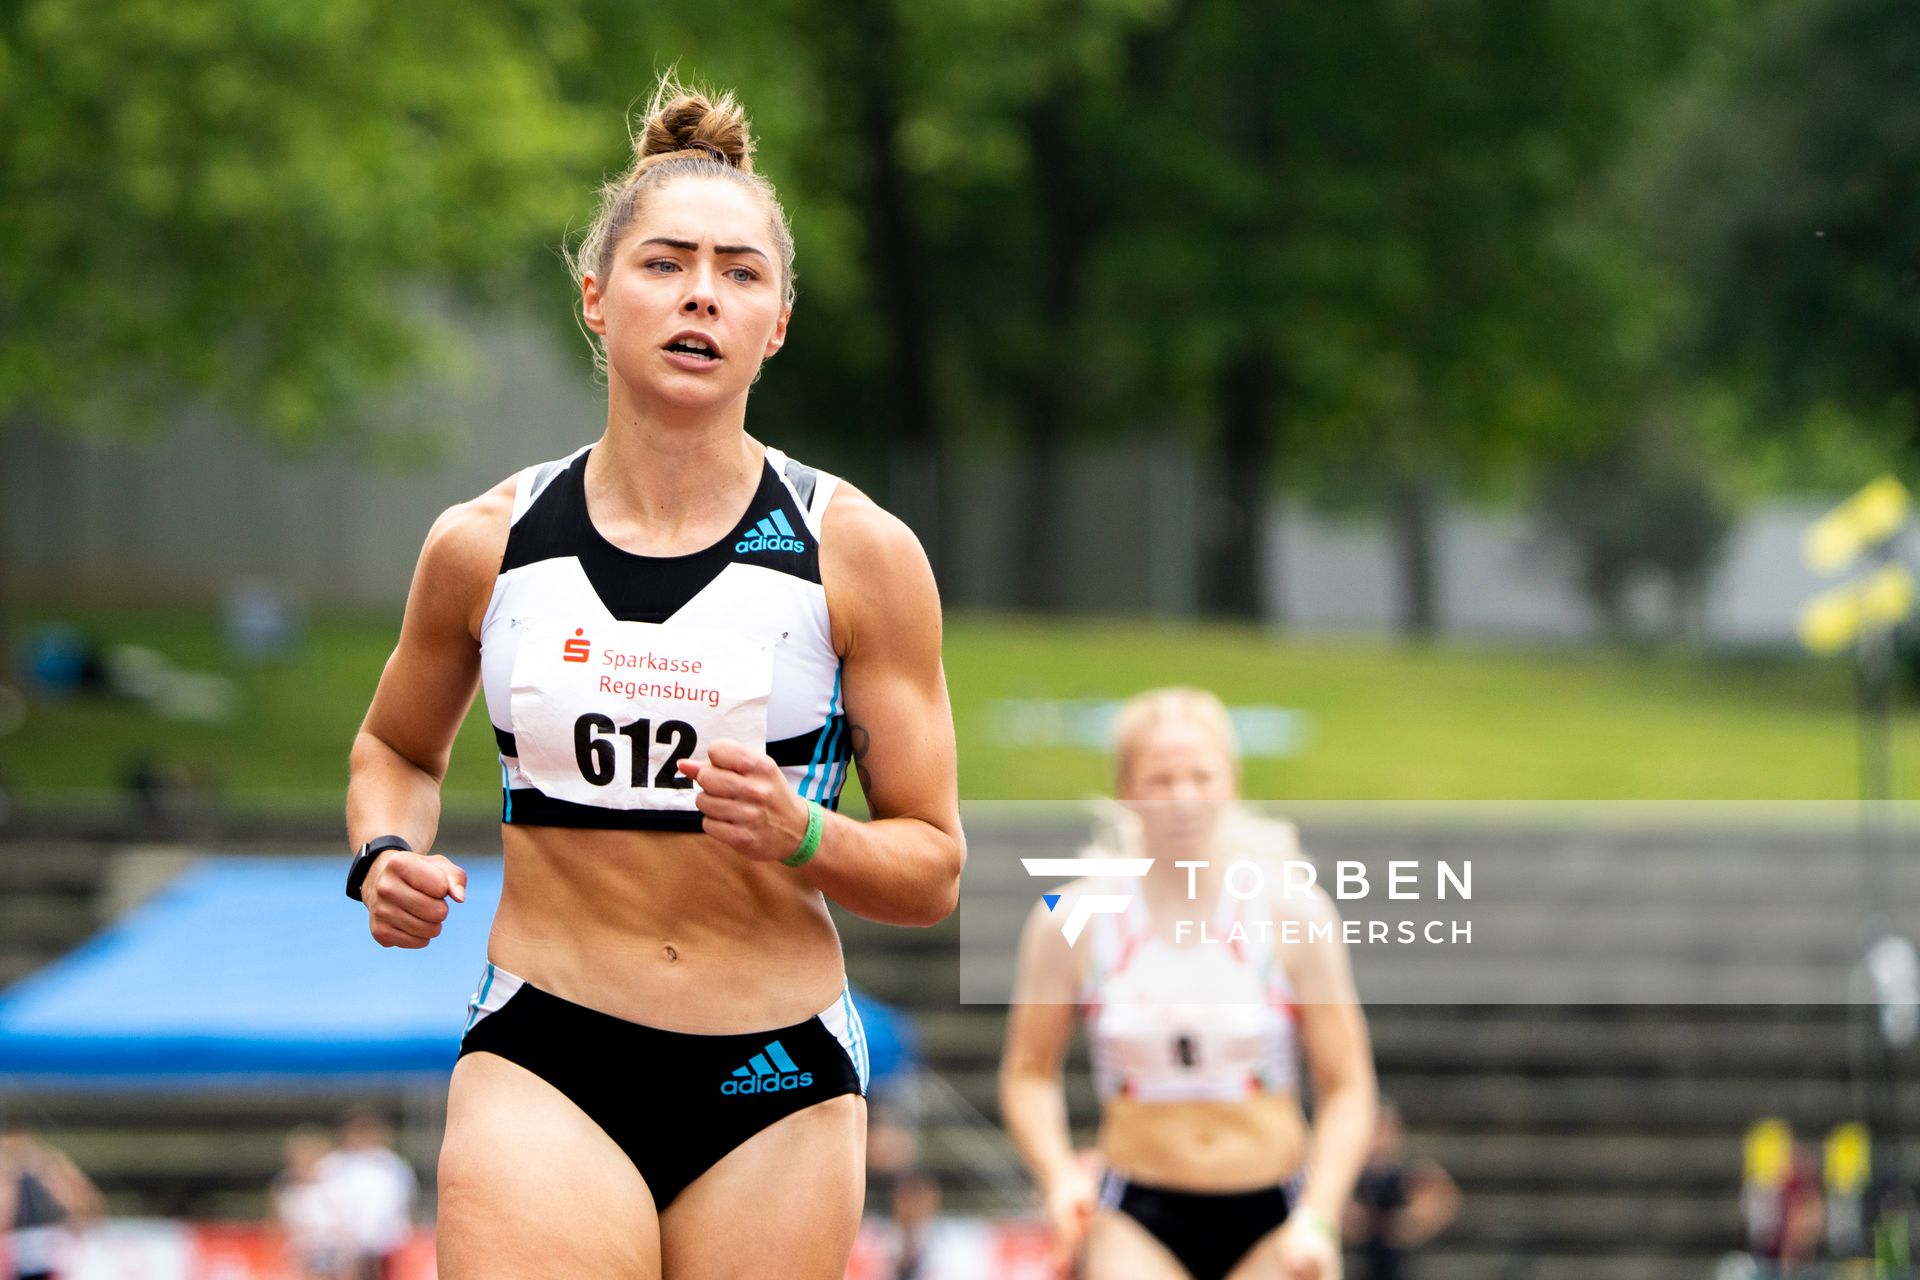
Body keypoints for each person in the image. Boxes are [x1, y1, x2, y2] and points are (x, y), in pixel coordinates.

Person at [344, 76, 964, 1280]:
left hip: (771, 1072)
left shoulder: (860, 553)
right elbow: (398, 750)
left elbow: (934, 865)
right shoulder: (487, 540)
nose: (701, 295)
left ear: (778, 320)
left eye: (740, 272)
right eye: (666, 263)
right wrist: (381, 852)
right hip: (548, 1054)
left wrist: (803, 834)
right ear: (595, 294)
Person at [1000, 688, 1376, 1280]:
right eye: (1161, 779)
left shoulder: (1295, 914)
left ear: (1231, 783)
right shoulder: (1070, 916)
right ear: (1126, 789)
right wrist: (1058, 1177)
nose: (1183, 798)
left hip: (1276, 1211)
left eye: (1201, 776)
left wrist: (1321, 1218)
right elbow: (1028, 1072)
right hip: (1136, 1211)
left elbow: (1348, 1084)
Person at [1342, 1099, 1459, 1280]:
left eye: (1384, 1129)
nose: (1379, 1139)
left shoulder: (1409, 1173)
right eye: (1375, 1129)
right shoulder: (1348, 1174)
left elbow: (1445, 1199)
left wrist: (1410, 1224)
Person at [313, 1111, 416, 1280]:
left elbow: (402, 1202)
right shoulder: (332, 1166)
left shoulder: (392, 1166)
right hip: (341, 1243)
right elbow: (322, 1203)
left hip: (383, 1244)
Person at [0, 1119, 101, 1280]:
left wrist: (76, 1219)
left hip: (45, 1237)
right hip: (18, 1240)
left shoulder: (48, 1161)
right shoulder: (12, 1164)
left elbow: (82, 1195)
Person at [273, 1127, 351, 1280]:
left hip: (325, 1249)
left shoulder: (333, 1187)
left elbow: (342, 1226)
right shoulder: (285, 1187)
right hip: (298, 1250)